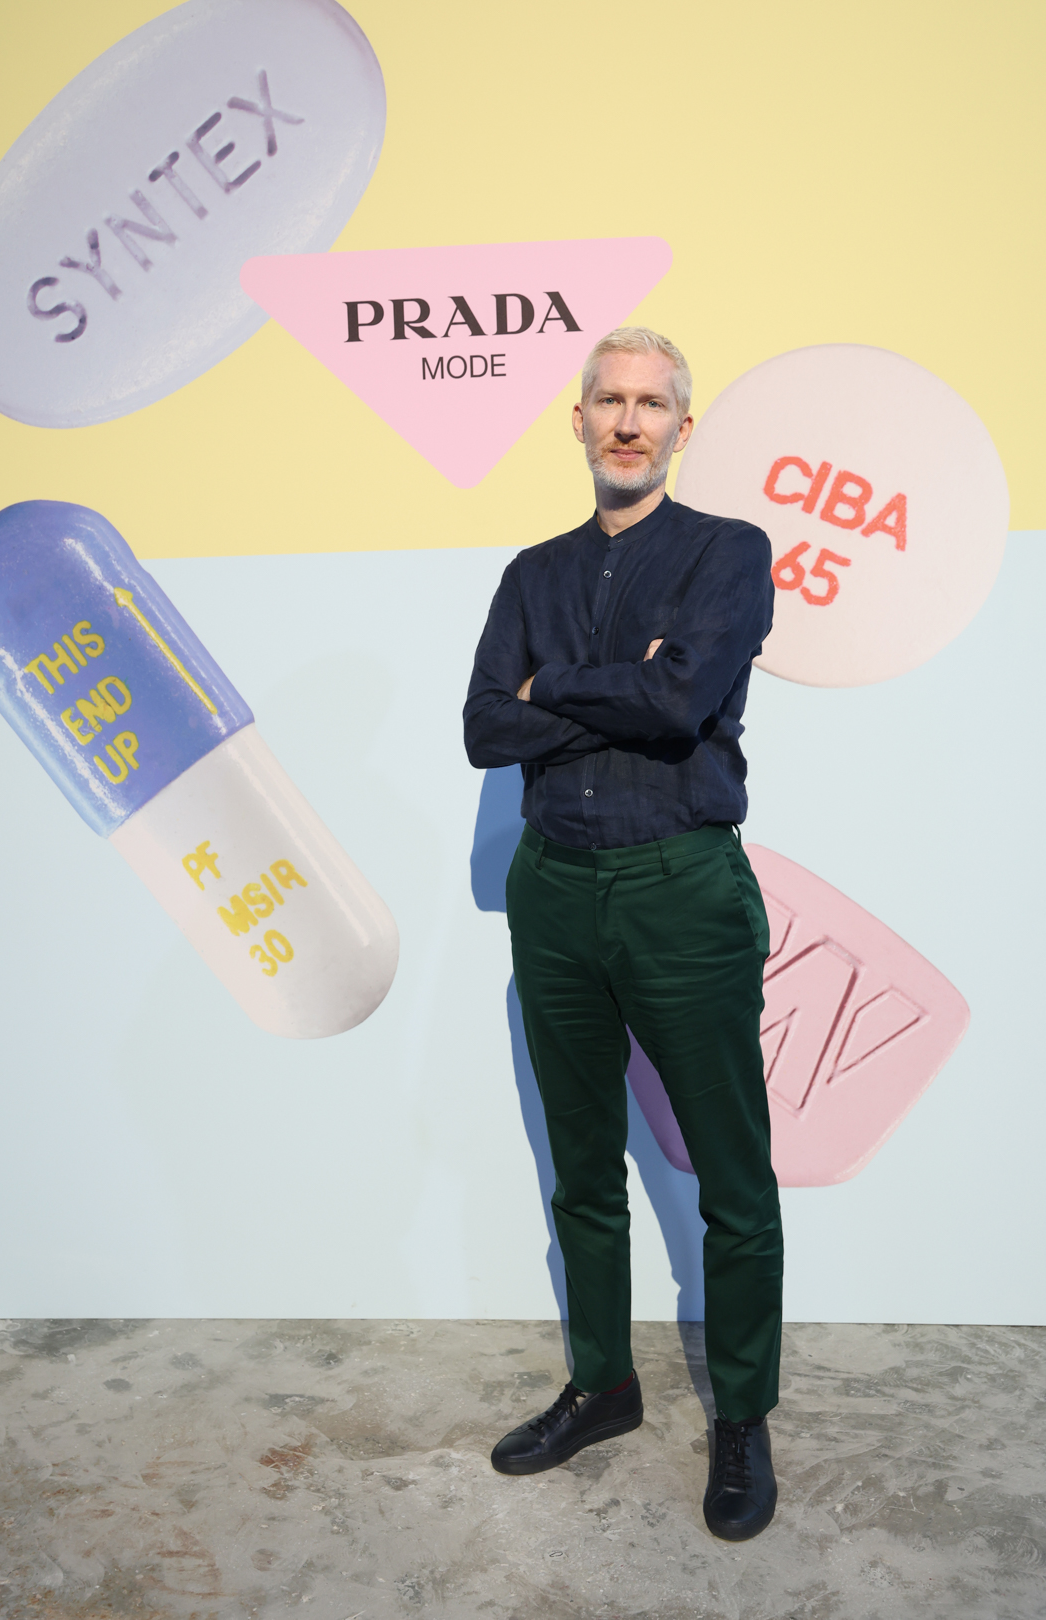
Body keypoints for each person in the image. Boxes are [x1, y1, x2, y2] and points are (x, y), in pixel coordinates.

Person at [463, 327, 783, 1542]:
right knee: (583, 1163)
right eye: (610, 400)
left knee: (731, 1176)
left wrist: (552, 687)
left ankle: (742, 1414)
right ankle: (602, 1384)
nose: (629, 421)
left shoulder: (727, 553)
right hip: (553, 891)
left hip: (680, 887)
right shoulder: (530, 574)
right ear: (580, 419)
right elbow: (483, 729)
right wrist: (617, 689)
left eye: (652, 404)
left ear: (682, 428)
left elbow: (682, 698)